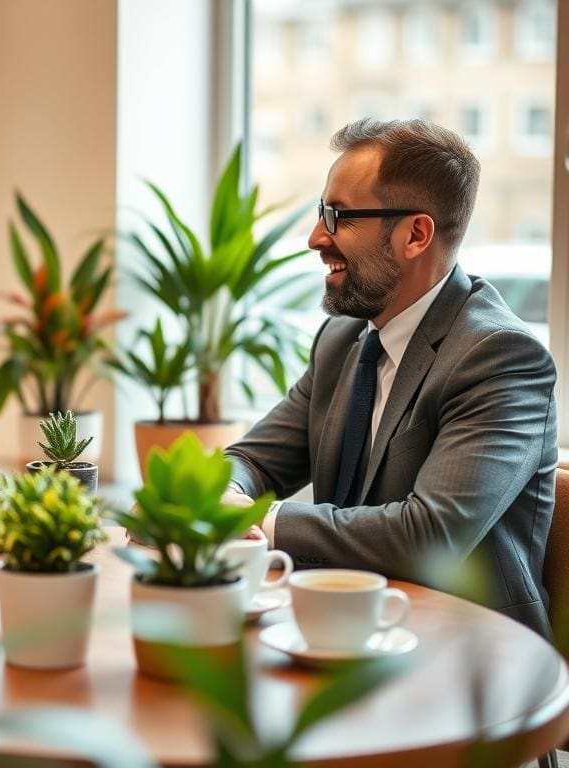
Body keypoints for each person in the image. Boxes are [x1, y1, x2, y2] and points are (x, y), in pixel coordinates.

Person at [224, 118, 557, 637]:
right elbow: (251, 459)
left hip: (468, 653)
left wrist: (257, 524)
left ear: (416, 234)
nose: (316, 238)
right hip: (338, 630)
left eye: (338, 217)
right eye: (320, 213)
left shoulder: (499, 357)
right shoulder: (342, 339)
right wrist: (223, 494)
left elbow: (430, 536)